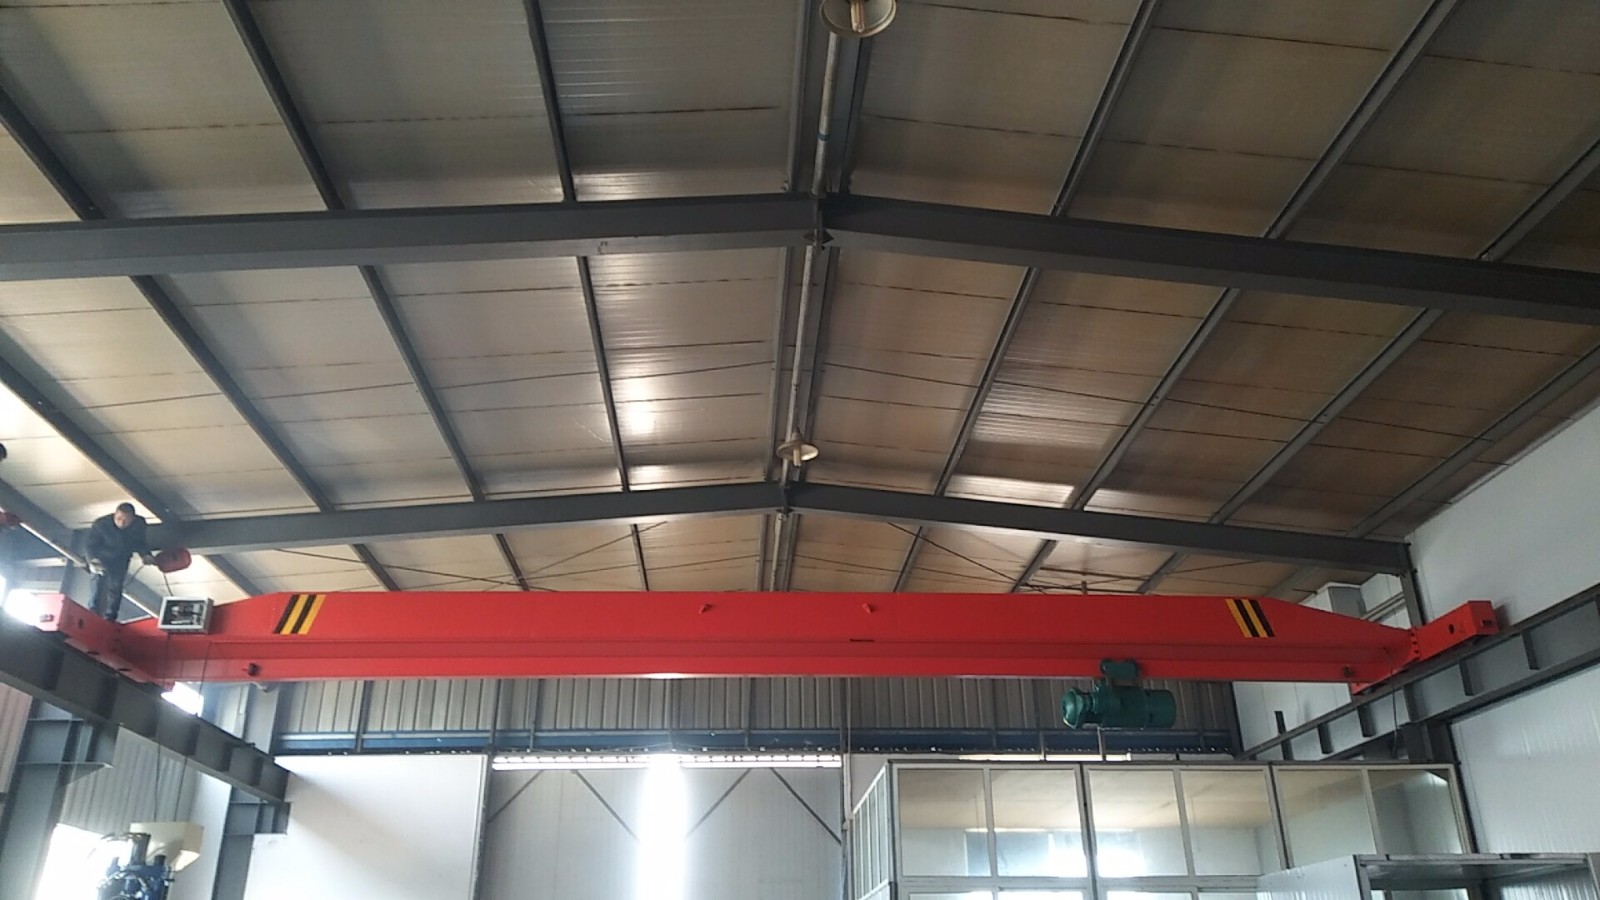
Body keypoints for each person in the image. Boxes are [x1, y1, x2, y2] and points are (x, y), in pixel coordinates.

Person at [85, 502, 154, 620]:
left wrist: (145, 555)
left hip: (121, 558)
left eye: (126, 520)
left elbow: (140, 542)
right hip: (102, 557)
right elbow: (90, 545)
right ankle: (92, 612)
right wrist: (92, 561)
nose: (122, 523)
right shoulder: (101, 524)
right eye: (119, 519)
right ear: (114, 515)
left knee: (116, 586)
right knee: (97, 583)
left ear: (133, 519)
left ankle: (111, 616)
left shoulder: (139, 524)